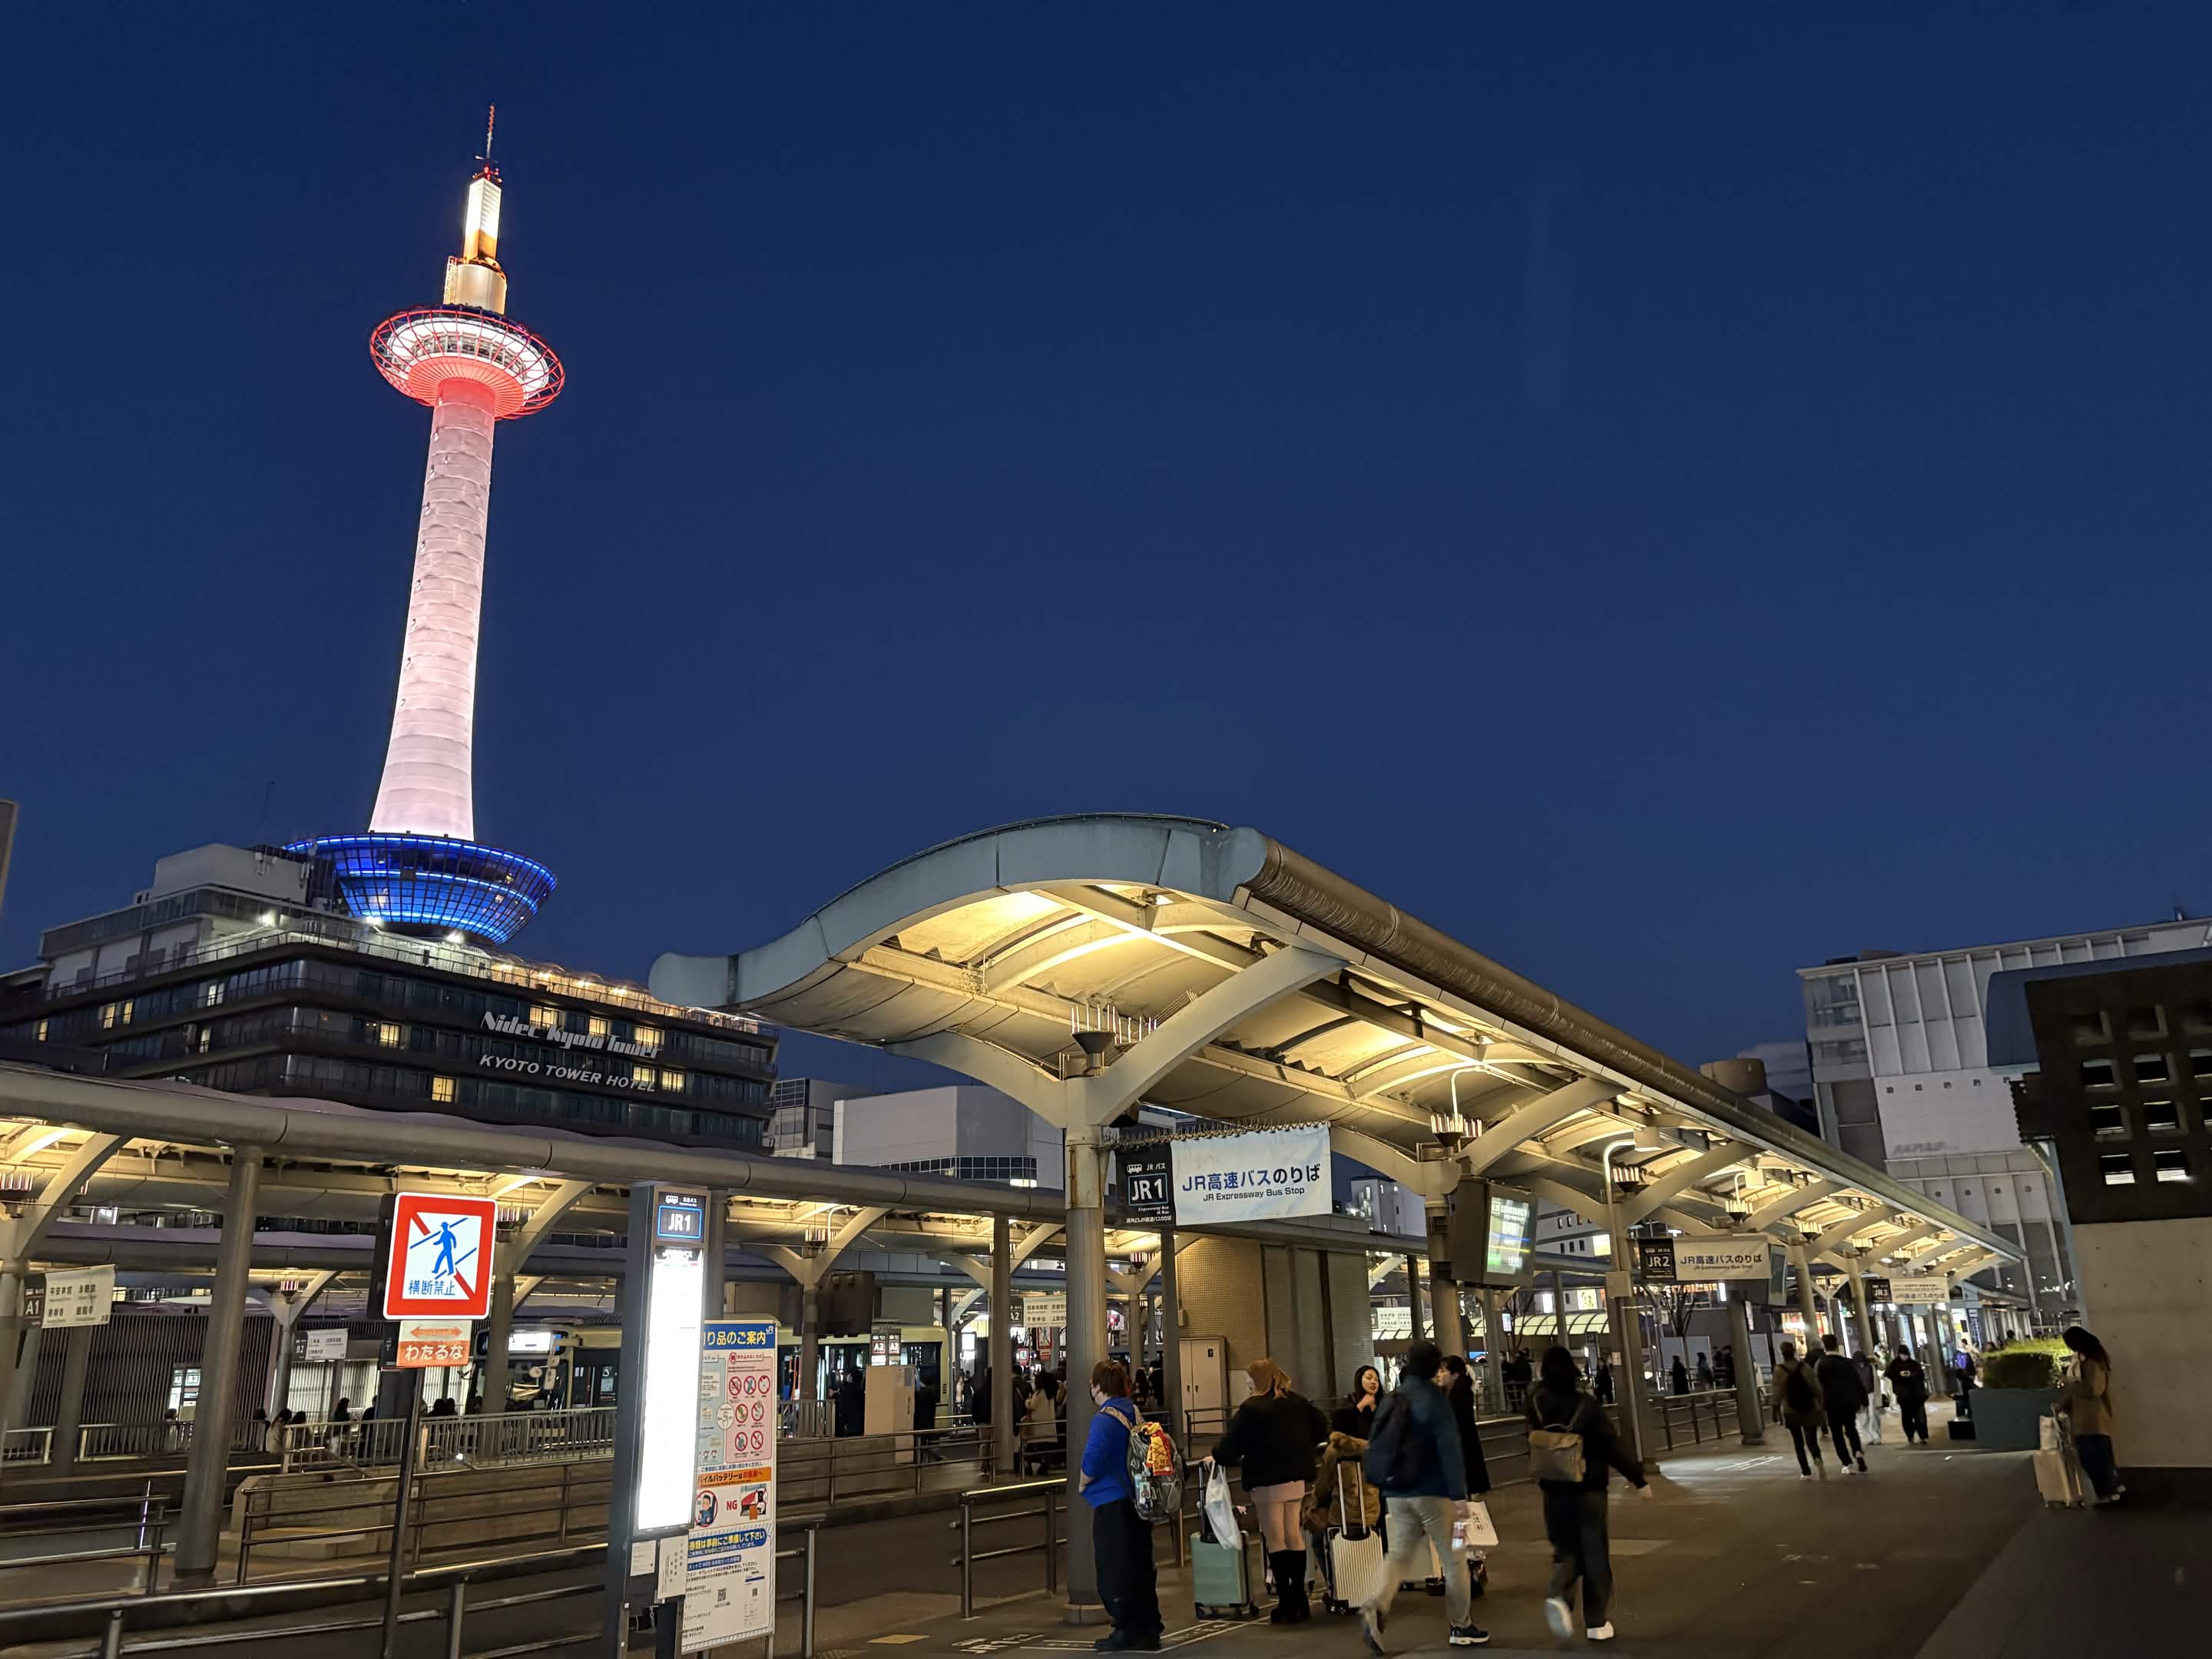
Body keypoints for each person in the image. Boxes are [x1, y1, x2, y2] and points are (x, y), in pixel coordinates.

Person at [1356, 1340, 1485, 1651]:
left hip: (1397, 1493)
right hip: (1437, 1495)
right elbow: (1450, 1450)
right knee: (1455, 1558)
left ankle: (1377, 1604)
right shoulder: (1435, 1400)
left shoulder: (1392, 1398)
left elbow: (1377, 1441)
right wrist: (1460, 1496)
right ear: (1433, 1366)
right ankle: (1461, 1625)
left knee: (1398, 1554)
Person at [1528, 1345, 1649, 1644]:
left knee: (1565, 1547)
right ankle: (1596, 1622)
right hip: (1589, 1488)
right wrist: (1638, 1478)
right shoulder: (1587, 1405)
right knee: (1593, 1550)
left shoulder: (1534, 1404)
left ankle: (1559, 1594)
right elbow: (1611, 1444)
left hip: (1553, 1487)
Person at [1206, 1359, 1327, 1624]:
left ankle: (1286, 1603)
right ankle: (1300, 1600)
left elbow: (1230, 1446)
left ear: (1259, 1379)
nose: (1247, 1382)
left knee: (1275, 1539)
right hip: (1296, 1479)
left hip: (1267, 1480)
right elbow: (1321, 1425)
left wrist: (1215, 1455)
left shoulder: (1252, 1408)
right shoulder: (1295, 1401)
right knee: (1294, 1534)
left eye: (1250, 1377)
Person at [1079, 1359, 1161, 1652]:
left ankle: (1125, 1628)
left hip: (1112, 1502)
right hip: (1137, 1500)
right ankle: (1148, 1627)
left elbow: (1093, 1459)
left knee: (1116, 1568)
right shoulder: (1132, 1410)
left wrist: (1081, 1482)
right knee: (1140, 1564)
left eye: (1093, 1383)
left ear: (1099, 1386)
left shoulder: (1104, 1418)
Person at [2058, 1327, 2123, 1504]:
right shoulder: (2087, 1362)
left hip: (2092, 1419)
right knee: (2098, 1458)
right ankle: (2110, 1491)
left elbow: (2094, 1390)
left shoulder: (2092, 1364)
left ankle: (2108, 1493)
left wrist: (2069, 1384)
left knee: (2094, 1459)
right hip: (2088, 1419)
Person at [1768, 1340, 1828, 1479]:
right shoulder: (1805, 1367)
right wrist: (1820, 1404)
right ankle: (1817, 1458)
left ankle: (1806, 1471)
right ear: (1795, 1351)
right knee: (1811, 1439)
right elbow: (1816, 1387)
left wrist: (1774, 1411)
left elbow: (1777, 1392)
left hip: (1791, 1410)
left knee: (1798, 1441)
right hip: (1809, 1407)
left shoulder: (1779, 1370)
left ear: (1782, 1353)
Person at [1438, 1357, 1495, 1499]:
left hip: (1462, 1452)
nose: (1439, 1374)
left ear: (1455, 1375)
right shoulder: (1449, 1393)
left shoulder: (1459, 1396)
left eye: (1443, 1371)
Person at [1814, 1335, 1869, 1473]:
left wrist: (1819, 1404)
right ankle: (1857, 1451)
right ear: (1836, 1345)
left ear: (1824, 1346)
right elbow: (1858, 1382)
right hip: (1849, 1402)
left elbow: (1817, 1386)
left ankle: (1847, 1463)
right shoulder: (1847, 1363)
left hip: (1831, 1404)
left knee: (1837, 1434)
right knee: (1851, 1429)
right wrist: (1864, 1400)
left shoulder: (1821, 1364)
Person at [1884, 1347, 1931, 1445]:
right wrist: (1899, 1375)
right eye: (1903, 1355)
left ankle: (1922, 1436)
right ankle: (1911, 1436)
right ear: (1899, 1354)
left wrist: (1911, 1374)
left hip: (1917, 1395)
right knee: (1907, 1418)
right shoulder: (1894, 1365)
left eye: (1906, 1355)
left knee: (1920, 1417)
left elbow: (1920, 1375)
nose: (1905, 1357)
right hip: (1904, 1396)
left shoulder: (1914, 1363)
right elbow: (1889, 1374)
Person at [1335, 1365, 1384, 1440]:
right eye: (1369, 1378)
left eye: (1376, 1379)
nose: (1373, 1382)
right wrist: (1361, 1405)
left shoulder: (1384, 1402)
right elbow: (1341, 1431)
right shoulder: (1350, 1402)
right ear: (1359, 1380)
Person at [1024, 1373, 1059, 1473]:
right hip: (1049, 1427)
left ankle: (1029, 1467)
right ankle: (1044, 1467)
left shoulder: (1040, 1393)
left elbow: (1032, 1405)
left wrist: (1027, 1401)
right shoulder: (1051, 1393)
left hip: (1038, 1426)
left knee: (1031, 1448)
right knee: (1045, 1449)